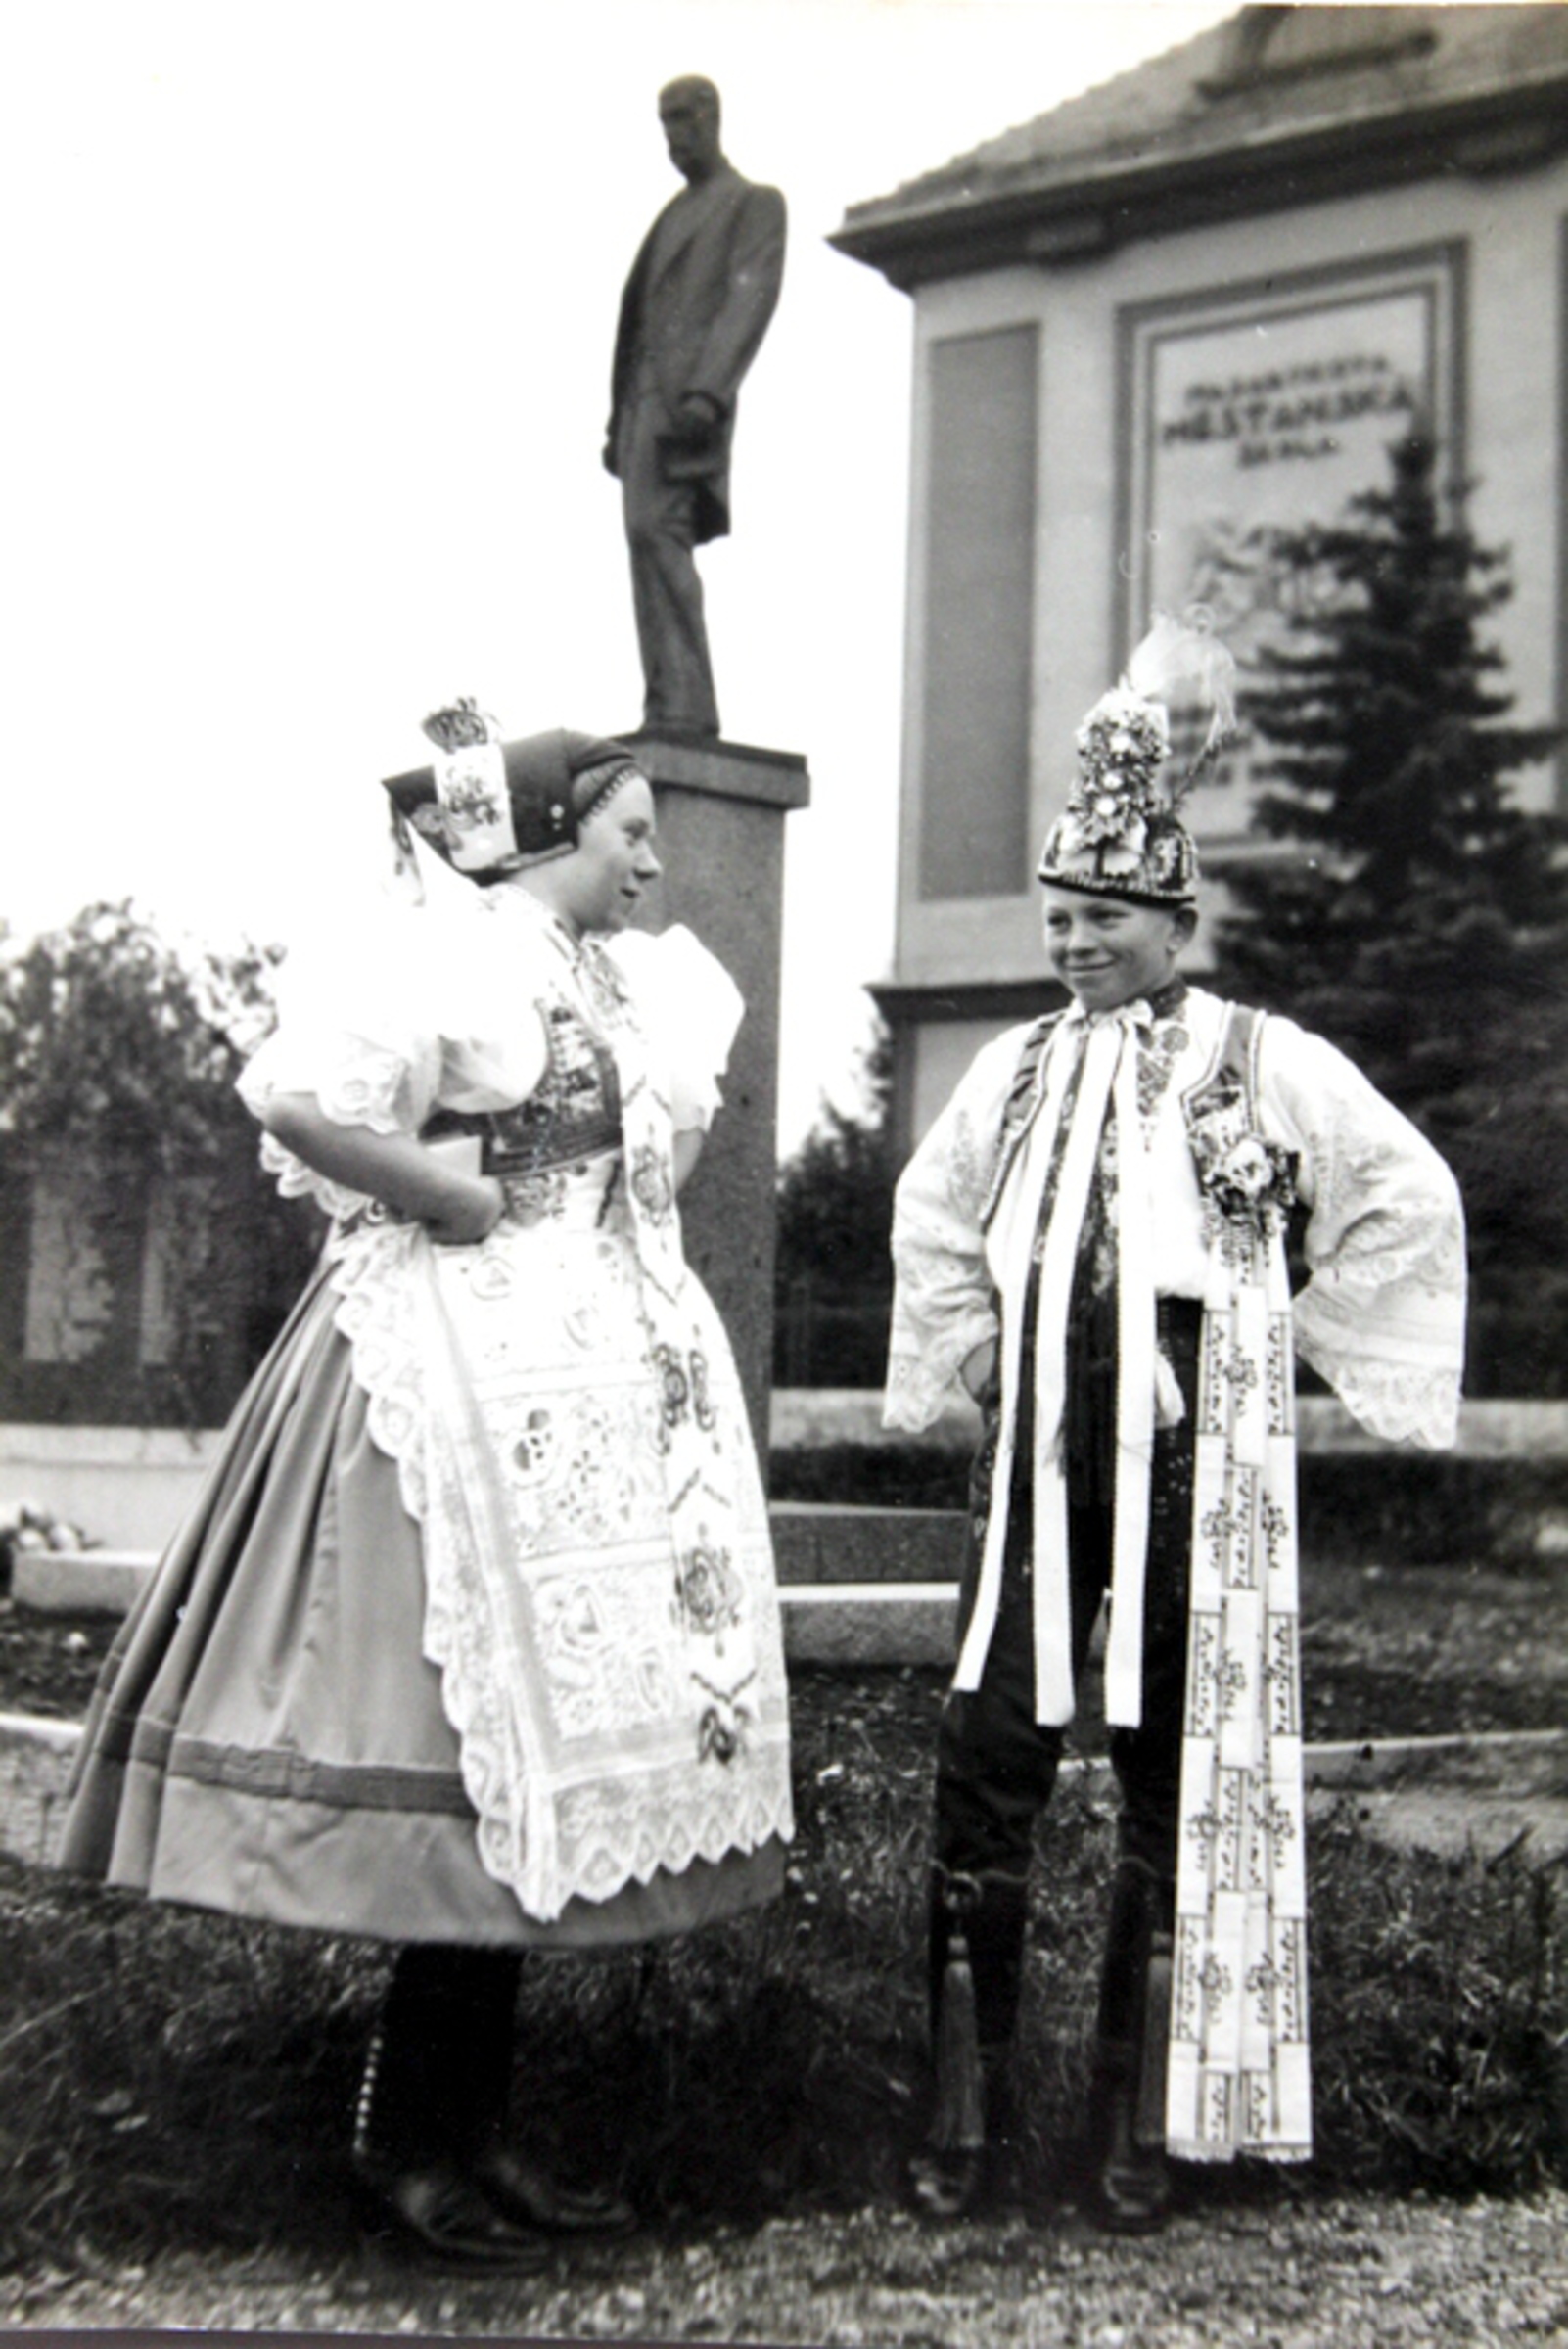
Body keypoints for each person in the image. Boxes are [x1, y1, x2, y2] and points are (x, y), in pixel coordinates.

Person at [62, 705, 794, 2270]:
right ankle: (401, 2142)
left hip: (576, 1397)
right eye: (632, 833)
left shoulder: (628, 981)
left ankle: (467, 2132)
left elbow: (649, 1161)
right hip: (438, 1397)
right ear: (554, 838)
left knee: (538, 1769)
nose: (654, 862)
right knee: (464, 1758)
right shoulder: (454, 958)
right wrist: (446, 1197)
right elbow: (295, 1101)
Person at [884, 616, 1465, 2232]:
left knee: (1169, 1775)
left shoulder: (1258, 1059)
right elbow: (931, 1218)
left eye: (1106, 919)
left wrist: (1278, 1337)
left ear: (1174, 923)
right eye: (1060, 916)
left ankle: (1134, 2127)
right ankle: (965, 2121)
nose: (1075, 942)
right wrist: (978, 1356)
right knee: (986, 1756)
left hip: (1186, 1467)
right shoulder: (1012, 1068)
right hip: (1035, 1463)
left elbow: (1403, 1190)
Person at [604, 75, 786, 740]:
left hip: (685, 407)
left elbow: (750, 298)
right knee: (644, 541)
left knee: (660, 536)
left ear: (711, 118)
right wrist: (617, 421)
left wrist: (709, 391)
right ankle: (665, 701)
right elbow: (637, 320)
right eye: (665, 122)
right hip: (642, 410)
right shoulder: (672, 215)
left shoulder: (752, 203)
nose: (673, 136)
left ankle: (685, 705)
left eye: (682, 119)